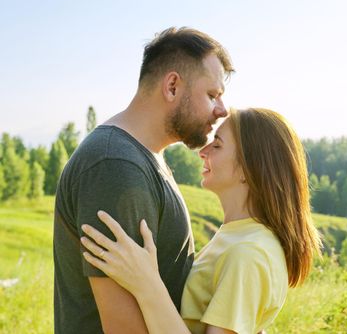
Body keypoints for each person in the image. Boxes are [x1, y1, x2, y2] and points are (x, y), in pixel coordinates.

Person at [53, 27, 234, 334]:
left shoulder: (144, 157)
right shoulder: (115, 166)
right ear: (173, 86)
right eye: (212, 95)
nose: (222, 110)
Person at [79, 108, 322, 334]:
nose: (203, 151)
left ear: (249, 169)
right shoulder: (237, 236)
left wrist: (146, 283)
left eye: (217, 145)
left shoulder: (249, 252)